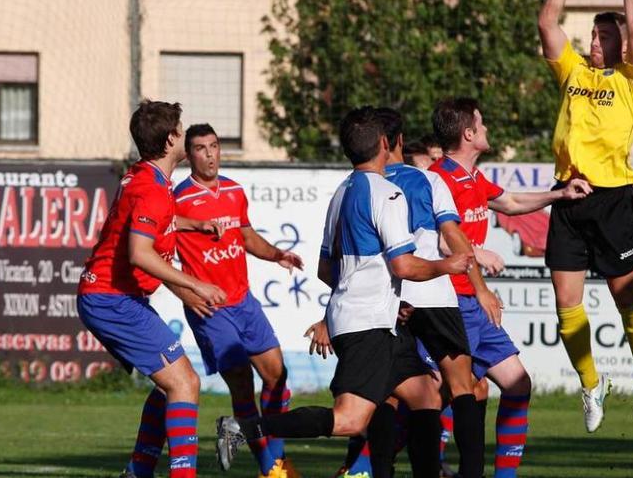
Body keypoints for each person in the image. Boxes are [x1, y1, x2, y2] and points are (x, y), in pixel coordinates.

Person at [215, 107, 472, 478]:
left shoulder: (343, 190)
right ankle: (245, 428)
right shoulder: (388, 193)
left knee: (426, 396)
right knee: (350, 420)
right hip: (367, 325)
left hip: (369, 318)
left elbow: (325, 269)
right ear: (386, 144)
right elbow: (404, 266)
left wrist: (379, 295)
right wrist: (446, 266)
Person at [430, 97, 592, 477]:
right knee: (432, 396)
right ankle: (365, 461)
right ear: (469, 134)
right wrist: (477, 252)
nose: (486, 129)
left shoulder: (472, 177)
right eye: (481, 124)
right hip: (448, 298)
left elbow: (512, 201)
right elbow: (433, 238)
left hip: (473, 299)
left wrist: (561, 194)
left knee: (517, 384)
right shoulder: (438, 178)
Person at [321, 107, 487, 478]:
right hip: (431, 292)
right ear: (395, 141)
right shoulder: (425, 180)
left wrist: (328, 313)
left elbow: (337, 266)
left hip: (390, 302)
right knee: (467, 387)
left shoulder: (351, 187)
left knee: (392, 392)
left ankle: (376, 470)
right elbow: (453, 235)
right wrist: (479, 285)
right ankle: (469, 473)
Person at [77, 100, 227, 478]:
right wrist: (195, 284)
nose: (185, 133)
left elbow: (156, 221)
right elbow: (140, 253)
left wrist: (193, 224)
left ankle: (139, 471)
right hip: (111, 299)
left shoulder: (146, 177)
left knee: (170, 386)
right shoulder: (153, 190)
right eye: (181, 128)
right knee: (184, 383)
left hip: (112, 297)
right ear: (171, 138)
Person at [538, 0, 633, 432]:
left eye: (604, 37)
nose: (594, 43)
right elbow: (547, 23)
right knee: (567, 306)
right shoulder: (573, 72)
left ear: (622, 45)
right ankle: (592, 384)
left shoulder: (632, 79)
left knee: (624, 296)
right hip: (569, 195)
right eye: (592, 35)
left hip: (612, 199)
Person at [167, 123, 303, 478]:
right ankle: (270, 469)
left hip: (244, 302)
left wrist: (276, 255)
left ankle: (273, 454)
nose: (210, 154)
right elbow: (158, 257)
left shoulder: (234, 190)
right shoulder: (177, 200)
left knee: (277, 375)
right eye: (200, 148)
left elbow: (246, 236)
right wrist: (187, 293)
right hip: (210, 309)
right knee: (241, 378)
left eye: (214, 146)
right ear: (189, 154)